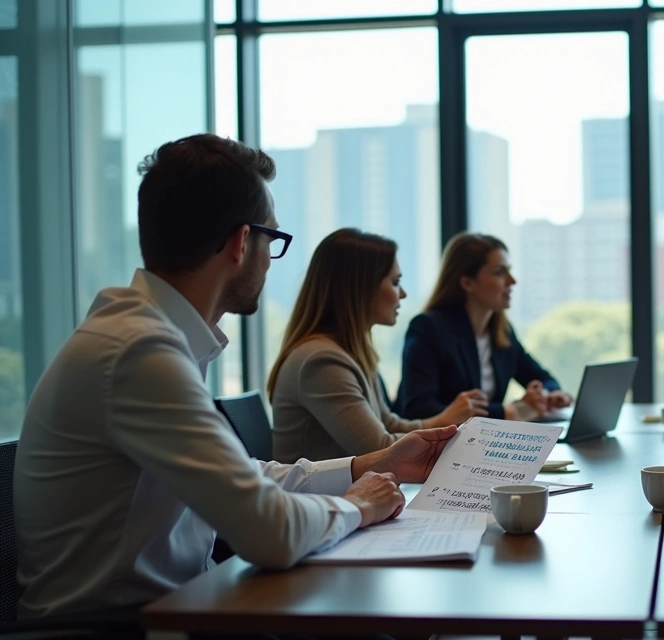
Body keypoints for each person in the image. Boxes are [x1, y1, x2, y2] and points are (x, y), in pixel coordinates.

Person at [14, 134, 457, 623]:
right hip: (118, 628)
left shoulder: (149, 336)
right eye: (274, 241)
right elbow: (271, 532)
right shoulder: (138, 353)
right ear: (242, 242)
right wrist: (359, 507)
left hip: (176, 609)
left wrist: (372, 464)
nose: (270, 260)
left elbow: (245, 477)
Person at [268, 228, 488, 463]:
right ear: (361, 288)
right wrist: (447, 428)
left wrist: (445, 421)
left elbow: (388, 424)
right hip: (329, 489)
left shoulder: (348, 352)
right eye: (395, 282)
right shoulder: (321, 361)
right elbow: (378, 448)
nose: (403, 294)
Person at [395, 232, 572, 422]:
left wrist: (550, 394)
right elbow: (419, 409)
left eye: (509, 271)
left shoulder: (502, 332)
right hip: (436, 440)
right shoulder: (429, 328)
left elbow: (541, 377)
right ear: (467, 282)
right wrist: (508, 412)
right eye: (499, 272)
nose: (512, 281)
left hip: (481, 438)